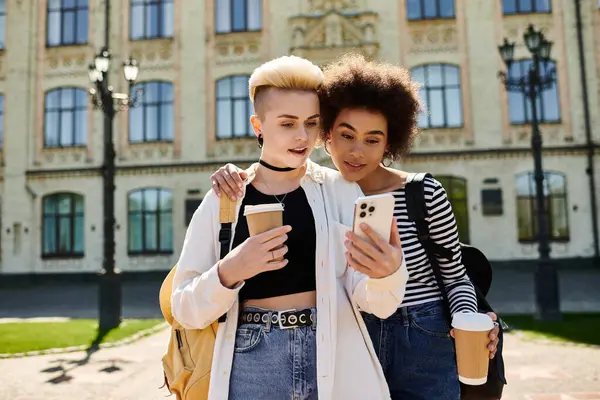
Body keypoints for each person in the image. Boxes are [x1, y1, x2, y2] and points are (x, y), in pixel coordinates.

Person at [210, 53, 501, 400]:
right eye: (347, 135)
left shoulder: (422, 193)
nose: (357, 151)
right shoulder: (319, 192)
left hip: (424, 337)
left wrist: (471, 318)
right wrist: (234, 173)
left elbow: (454, 275)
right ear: (327, 133)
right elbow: (273, 166)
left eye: (373, 140)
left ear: (389, 142)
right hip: (351, 339)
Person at [171, 55, 409, 400]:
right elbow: (184, 309)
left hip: (331, 357)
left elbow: (378, 304)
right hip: (251, 360)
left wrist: (386, 274)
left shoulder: (339, 189)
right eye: (287, 124)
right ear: (258, 125)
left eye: (312, 123)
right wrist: (233, 268)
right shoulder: (225, 198)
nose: (302, 137)